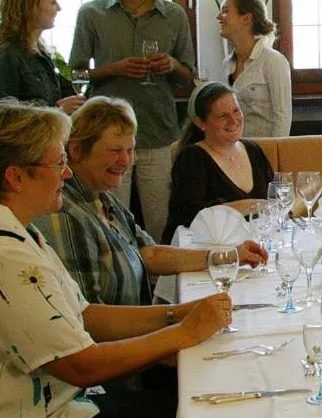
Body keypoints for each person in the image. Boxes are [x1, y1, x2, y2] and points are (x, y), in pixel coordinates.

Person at [0, 101, 231, 418]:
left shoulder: (6, 228)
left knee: (186, 413)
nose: (66, 173)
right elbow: (81, 367)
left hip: (39, 410)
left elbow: (83, 315)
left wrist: (175, 314)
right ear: (16, 177)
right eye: (56, 164)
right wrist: (186, 332)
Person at [34, 96, 266, 308]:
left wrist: (228, 257)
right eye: (115, 150)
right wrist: (177, 317)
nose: (125, 161)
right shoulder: (65, 214)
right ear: (75, 150)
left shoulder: (103, 199)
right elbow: (89, 318)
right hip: (121, 345)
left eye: (130, 150)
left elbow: (150, 254)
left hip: (138, 329)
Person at [69, 0, 196, 242]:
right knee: (109, 220)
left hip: (157, 131)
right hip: (107, 136)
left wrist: (172, 66)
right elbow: (76, 73)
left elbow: (189, 77)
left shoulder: (174, 15)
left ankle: (159, 288)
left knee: (160, 223)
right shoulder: (92, 13)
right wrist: (114, 68)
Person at [163, 82, 275, 242]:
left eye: (236, 111)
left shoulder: (253, 150)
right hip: (207, 252)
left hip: (253, 245)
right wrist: (249, 205)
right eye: (222, 116)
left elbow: (274, 198)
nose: (233, 120)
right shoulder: (192, 157)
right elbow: (188, 215)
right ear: (201, 123)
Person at [0, 0, 85, 114]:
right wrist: (58, 111)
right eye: (53, 2)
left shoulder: (42, 54)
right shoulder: (7, 57)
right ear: (30, 6)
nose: (59, 8)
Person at [219, 0, 292, 137]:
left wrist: (273, 156)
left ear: (246, 18)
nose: (219, 17)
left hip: (264, 151)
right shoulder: (227, 64)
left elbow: (282, 118)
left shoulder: (273, 61)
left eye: (226, 11)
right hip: (235, 151)